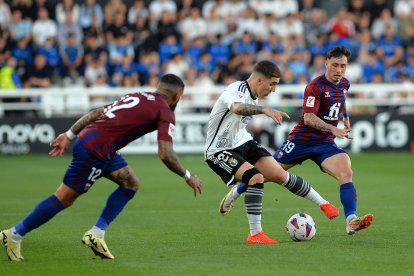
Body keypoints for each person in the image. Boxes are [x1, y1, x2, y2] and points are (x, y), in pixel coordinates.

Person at [1, 74, 203, 261]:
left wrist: (69, 135)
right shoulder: (165, 111)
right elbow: (165, 154)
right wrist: (188, 175)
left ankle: (96, 234)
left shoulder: (137, 95)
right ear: (177, 96)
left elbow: (96, 113)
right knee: (64, 198)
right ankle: (14, 235)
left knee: (131, 183)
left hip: (100, 146)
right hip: (95, 150)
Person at [232, 47, 374, 236]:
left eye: (343, 66)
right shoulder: (315, 87)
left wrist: (345, 118)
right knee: (268, 174)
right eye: (335, 65)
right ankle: (236, 191)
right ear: (326, 64)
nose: (339, 70)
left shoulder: (344, 84)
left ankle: (351, 220)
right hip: (301, 141)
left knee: (346, 172)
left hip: (325, 144)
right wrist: (334, 128)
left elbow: (342, 100)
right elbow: (309, 118)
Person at [205, 60, 339, 245]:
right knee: (255, 177)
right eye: (272, 84)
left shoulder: (254, 95)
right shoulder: (236, 89)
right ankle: (255, 234)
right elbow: (236, 108)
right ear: (259, 80)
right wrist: (264, 110)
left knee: (279, 174)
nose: (274, 89)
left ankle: (324, 204)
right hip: (219, 150)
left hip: (243, 142)